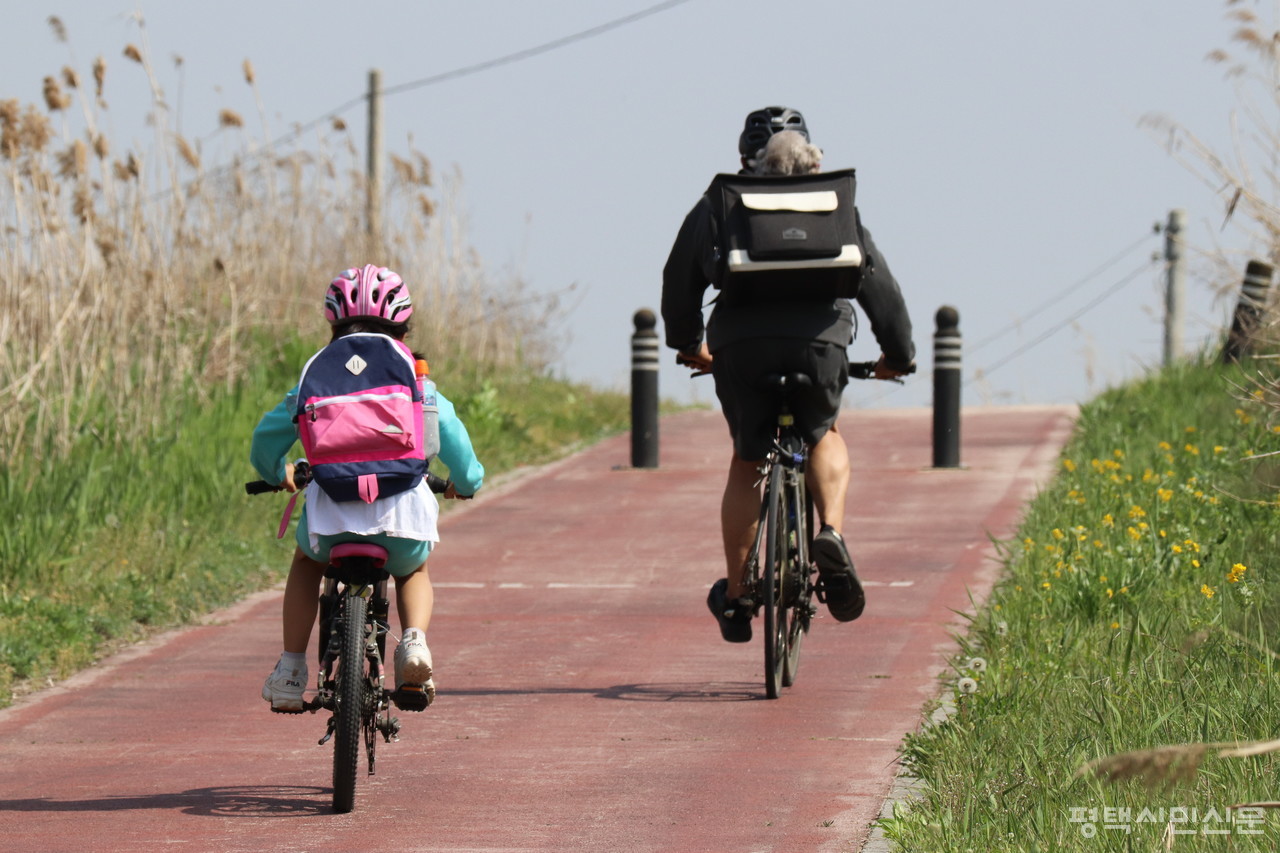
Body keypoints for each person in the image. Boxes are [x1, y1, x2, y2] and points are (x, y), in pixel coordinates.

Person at [661, 106, 915, 643]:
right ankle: (831, 534)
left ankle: (735, 597)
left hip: (742, 348)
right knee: (823, 433)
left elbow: (678, 278)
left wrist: (690, 344)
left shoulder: (721, 201)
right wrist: (898, 354)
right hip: (820, 344)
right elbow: (879, 286)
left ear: (744, 157)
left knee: (747, 457)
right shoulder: (835, 201)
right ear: (810, 152)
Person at [253, 264, 485, 711]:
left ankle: (289, 669)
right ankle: (414, 643)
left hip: (331, 522)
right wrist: (465, 482)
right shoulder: (417, 380)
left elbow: (266, 438)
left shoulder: (314, 378)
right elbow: (456, 444)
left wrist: (274, 472)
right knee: (414, 571)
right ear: (403, 325)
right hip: (402, 521)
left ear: (333, 323)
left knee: (305, 563)